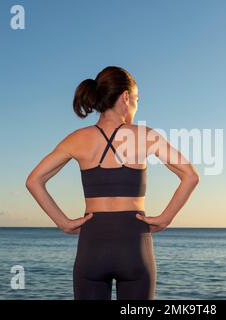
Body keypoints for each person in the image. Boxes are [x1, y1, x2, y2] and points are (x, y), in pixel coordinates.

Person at [25, 66, 200, 300]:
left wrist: (64, 223)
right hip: (134, 245)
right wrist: (165, 218)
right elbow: (190, 175)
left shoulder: (77, 138)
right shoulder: (145, 136)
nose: (136, 105)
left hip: (92, 247)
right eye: (137, 99)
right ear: (126, 97)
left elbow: (34, 180)